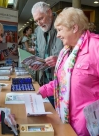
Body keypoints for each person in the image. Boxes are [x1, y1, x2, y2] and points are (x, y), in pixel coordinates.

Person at [38, 7, 99, 136]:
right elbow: (62, 82)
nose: (58, 34)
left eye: (60, 30)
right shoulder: (65, 51)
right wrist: (41, 91)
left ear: (74, 28)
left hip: (89, 126)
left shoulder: (96, 47)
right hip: (66, 122)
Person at [31, 1, 63, 107]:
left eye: (41, 18)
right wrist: (37, 63)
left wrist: (59, 59)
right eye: (36, 21)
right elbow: (39, 52)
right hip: (45, 81)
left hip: (61, 84)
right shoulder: (38, 30)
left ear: (49, 12)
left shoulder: (63, 25)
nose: (39, 23)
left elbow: (75, 54)